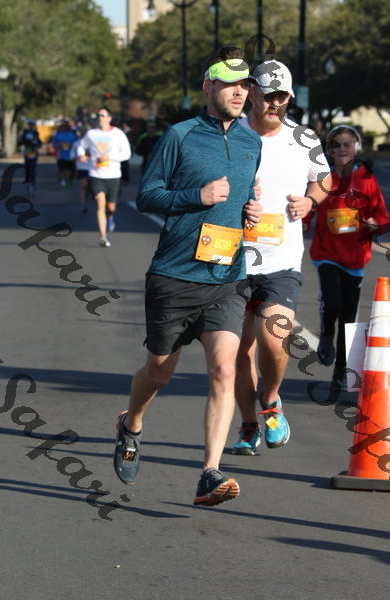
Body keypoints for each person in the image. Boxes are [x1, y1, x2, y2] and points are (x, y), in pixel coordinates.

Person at [113, 46, 262, 506]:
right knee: (159, 372)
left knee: (223, 369)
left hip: (227, 276)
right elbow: (147, 196)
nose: (239, 93)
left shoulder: (251, 142)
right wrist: (197, 196)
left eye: (244, 86)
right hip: (174, 275)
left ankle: (209, 474)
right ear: (208, 86)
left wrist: (250, 212)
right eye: (229, 84)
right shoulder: (179, 136)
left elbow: (244, 199)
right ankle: (131, 424)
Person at [233, 60, 332, 456]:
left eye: (282, 97)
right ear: (252, 92)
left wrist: (310, 201)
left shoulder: (304, 138)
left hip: (281, 261)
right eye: (268, 95)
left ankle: (271, 400)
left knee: (274, 344)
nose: (275, 103)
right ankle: (248, 424)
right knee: (236, 351)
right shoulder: (231, 133)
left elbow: (323, 179)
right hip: (231, 261)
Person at [303, 124, 389, 390]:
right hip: (326, 255)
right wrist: (299, 224)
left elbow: (382, 216)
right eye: (336, 145)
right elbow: (308, 208)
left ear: (356, 148)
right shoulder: (324, 179)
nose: (342, 149)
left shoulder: (366, 180)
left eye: (347, 144)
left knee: (349, 318)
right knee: (333, 305)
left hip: (355, 259)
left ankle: (340, 371)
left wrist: (375, 224)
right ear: (329, 150)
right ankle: (326, 333)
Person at [77, 107, 131, 247]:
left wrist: (110, 157)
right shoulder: (91, 134)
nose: (100, 117)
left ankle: (110, 216)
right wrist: (81, 155)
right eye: (98, 115)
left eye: (103, 115)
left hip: (113, 175)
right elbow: (81, 146)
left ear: (109, 118)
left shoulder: (118, 134)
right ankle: (103, 236)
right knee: (100, 202)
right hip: (96, 174)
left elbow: (127, 154)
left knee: (111, 207)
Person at [18, 119, 42, 197]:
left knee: (32, 169)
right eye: (29, 124)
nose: (31, 126)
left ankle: (33, 185)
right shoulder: (25, 132)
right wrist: (23, 141)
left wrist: (36, 144)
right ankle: (27, 185)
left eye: (32, 124)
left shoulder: (35, 133)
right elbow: (20, 141)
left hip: (33, 152)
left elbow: (39, 142)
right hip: (27, 151)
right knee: (27, 169)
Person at [52, 120, 78, 187]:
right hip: (61, 156)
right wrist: (57, 145)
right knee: (62, 169)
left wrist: (72, 145)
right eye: (64, 126)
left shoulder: (73, 134)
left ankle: (69, 179)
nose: (65, 127)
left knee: (70, 170)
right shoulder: (58, 134)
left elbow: (77, 143)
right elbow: (54, 143)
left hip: (70, 156)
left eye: (67, 126)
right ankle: (63, 180)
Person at [70, 126, 90, 214]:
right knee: (84, 185)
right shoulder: (76, 144)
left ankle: (86, 197)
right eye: (82, 131)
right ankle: (83, 204)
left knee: (90, 187)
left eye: (85, 131)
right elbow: (71, 156)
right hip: (82, 168)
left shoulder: (93, 143)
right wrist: (78, 157)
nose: (84, 133)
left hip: (93, 168)